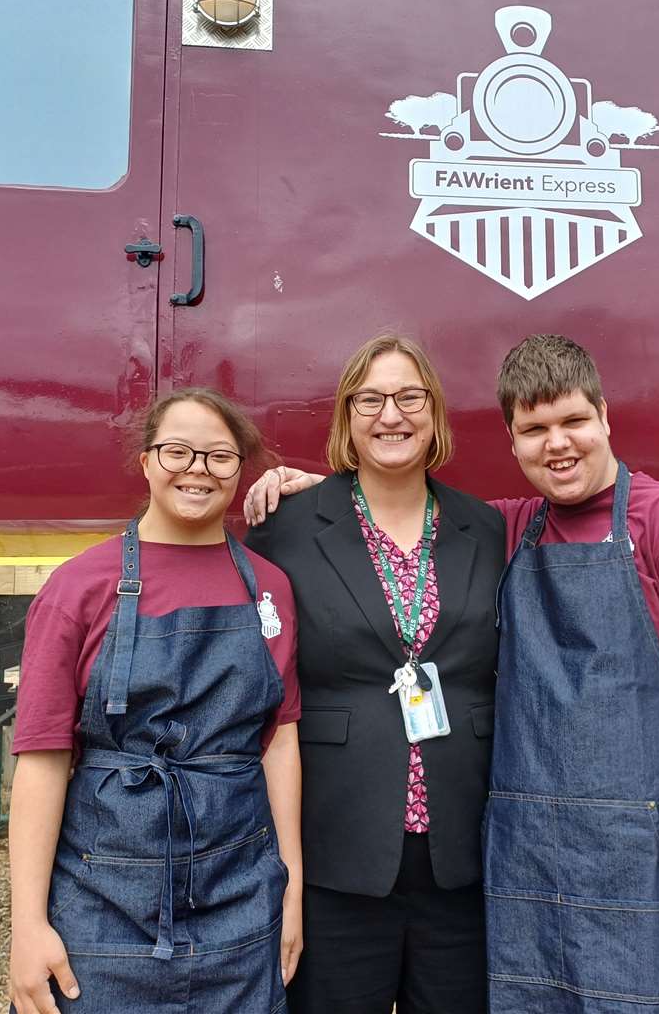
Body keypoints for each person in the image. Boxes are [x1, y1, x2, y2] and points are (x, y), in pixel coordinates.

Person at [247, 334, 659, 1012]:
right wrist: (321, 488)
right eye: (534, 429)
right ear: (511, 440)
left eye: (572, 422)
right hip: (542, 873)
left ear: (604, 416)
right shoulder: (511, 526)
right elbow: (390, 521)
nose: (556, 444)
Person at [8, 387, 302, 1014]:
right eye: (178, 451)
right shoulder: (78, 587)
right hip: (99, 901)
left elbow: (279, 743)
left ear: (239, 470)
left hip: (241, 896)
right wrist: (27, 925)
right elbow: (42, 758)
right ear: (145, 461)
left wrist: (292, 888)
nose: (197, 470)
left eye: (219, 456)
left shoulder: (269, 587)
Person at [243, 335, 505, 1014]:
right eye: (371, 399)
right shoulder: (288, 525)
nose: (391, 415)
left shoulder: (485, 527)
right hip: (337, 853)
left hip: (460, 859)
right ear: (346, 418)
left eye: (409, 396)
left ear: (435, 413)